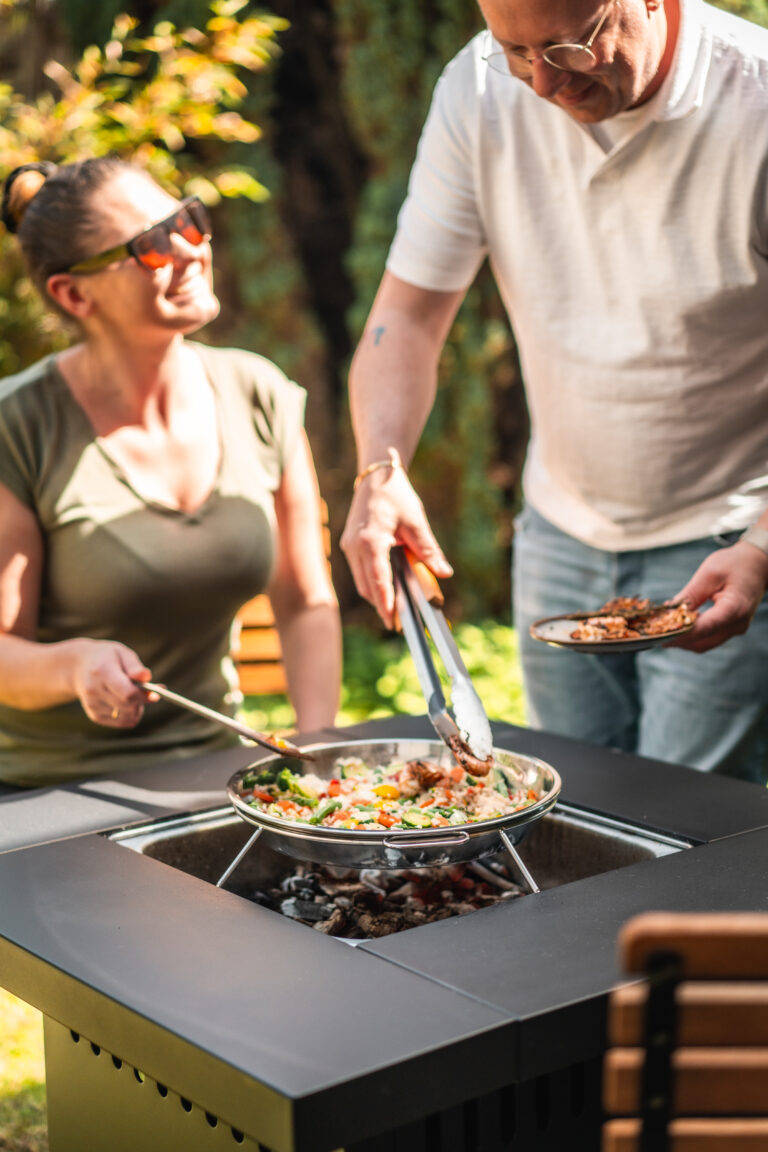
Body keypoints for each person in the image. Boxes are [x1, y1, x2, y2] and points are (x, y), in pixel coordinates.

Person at [341, 0, 768, 783]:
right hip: (559, 536)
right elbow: (403, 317)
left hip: (731, 535)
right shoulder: (475, 87)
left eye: (569, 47)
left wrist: (764, 548)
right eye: (514, 50)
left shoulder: (758, 100)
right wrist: (380, 470)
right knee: (578, 812)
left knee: (691, 829)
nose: (542, 83)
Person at [0, 156, 341, 787]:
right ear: (75, 293)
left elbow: (304, 602)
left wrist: (315, 752)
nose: (190, 249)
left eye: (188, 221)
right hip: (48, 796)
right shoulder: (17, 428)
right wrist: (76, 665)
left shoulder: (257, 391)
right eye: (152, 246)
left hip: (219, 774)